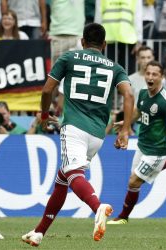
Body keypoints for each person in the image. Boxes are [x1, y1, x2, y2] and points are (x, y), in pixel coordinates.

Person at [21, 23, 134, 246]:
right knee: (63, 179)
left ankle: (97, 207)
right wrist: (125, 129)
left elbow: (46, 90)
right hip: (98, 134)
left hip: (74, 128)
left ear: (82, 41)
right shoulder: (115, 67)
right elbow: (129, 95)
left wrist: (44, 115)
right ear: (104, 45)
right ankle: (39, 232)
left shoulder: (69, 57)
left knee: (72, 173)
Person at [107, 61, 166, 225]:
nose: (150, 77)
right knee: (135, 183)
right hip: (142, 145)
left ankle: (123, 217)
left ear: (162, 77)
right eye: (148, 73)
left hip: (156, 151)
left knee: (133, 181)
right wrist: (127, 123)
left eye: (155, 74)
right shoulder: (144, 93)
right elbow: (138, 112)